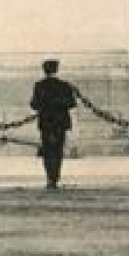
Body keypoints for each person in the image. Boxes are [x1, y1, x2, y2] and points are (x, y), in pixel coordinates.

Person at [31, 59, 79, 190]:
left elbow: (34, 105)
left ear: (44, 70)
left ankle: (49, 178)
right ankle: (55, 177)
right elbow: (72, 104)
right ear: (56, 70)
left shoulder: (39, 85)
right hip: (60, 123)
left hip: (46, 123)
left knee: (47, 151)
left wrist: (46, 104)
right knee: (58, 151)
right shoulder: (64, 85)